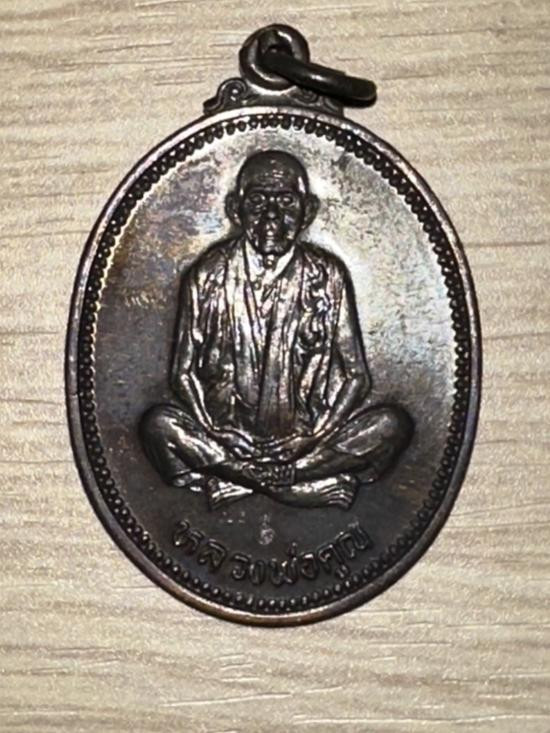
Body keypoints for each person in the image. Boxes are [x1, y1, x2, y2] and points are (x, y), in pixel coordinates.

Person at [140, 150, 412, 510]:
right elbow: (183, 373)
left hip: (305, 443)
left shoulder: (328, 275)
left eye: (285, 201)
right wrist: (216, 431)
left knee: (392, 426)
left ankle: (244, 481)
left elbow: (356, 377)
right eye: (258, 201)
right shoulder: (207, 274)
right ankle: (293, 487)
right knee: (157, 425)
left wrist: (313, 436)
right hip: (229, 440)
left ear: (308, 211)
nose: (271, 216)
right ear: (236, 209)